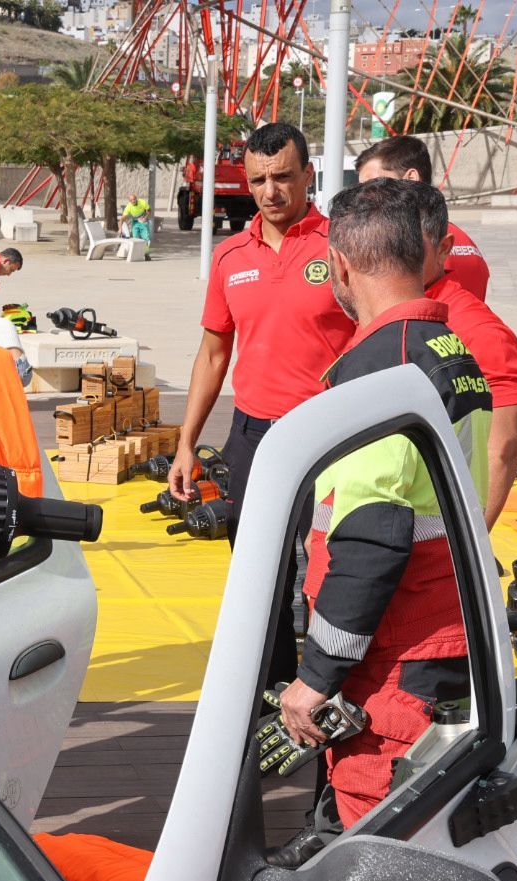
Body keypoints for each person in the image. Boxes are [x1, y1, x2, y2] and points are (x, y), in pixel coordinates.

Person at [272, 178, 492, 862]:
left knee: (377, 858)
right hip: (445, 637)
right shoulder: (452, 355)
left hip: (394, 665)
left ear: (339, 264)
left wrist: (316, 677)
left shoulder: (379, 379)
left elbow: (374, 539)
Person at [167, 122, 356, 688]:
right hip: (253, 437)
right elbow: (212, 352)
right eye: (258, 180)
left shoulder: (343, 247)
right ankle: (274, 694)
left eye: (282, 177)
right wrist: (185, 444)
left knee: (333, 572)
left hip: (329, 436)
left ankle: (331, 691)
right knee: (259, 575)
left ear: (307, 176)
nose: (270, 191)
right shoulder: (229, 257)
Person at [408, 183, 517, 528]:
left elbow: (501, 450)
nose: (393, 255)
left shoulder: (480, 332)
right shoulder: (378, 317)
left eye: (409, 244)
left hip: (434, 535)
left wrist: (470, 544)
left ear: (444, 249)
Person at [355, 134, 490, 300]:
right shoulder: (466, 243)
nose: (363, 197)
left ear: (411, 178)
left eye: (373, 185)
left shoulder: (408, 245)